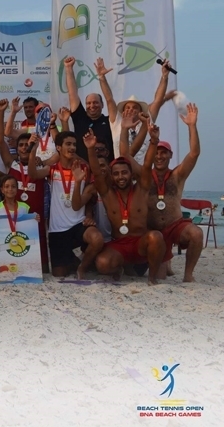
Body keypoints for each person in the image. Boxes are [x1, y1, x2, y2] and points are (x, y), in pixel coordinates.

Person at [126, 103, 202, 282]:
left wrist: (192, 126)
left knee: (197, 234)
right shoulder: (145, 176)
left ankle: (188, 274)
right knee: (160, 277)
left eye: (164, 153)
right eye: (157, 153)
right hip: (153, 230)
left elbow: (194, 153)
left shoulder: (177, 175)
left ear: (170, 155)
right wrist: (135, 129)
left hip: (175, 227)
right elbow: (126, 156)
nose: (159, 156)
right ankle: (165, 262)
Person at [87, 120, 166, 284]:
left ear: (131, 174)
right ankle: (121, 267)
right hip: (119, 245)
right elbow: (96, 171)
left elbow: (147, 165)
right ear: (111, 175)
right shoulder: (108, 193)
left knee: (156, 237)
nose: (121, 177)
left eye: (124, 173)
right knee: (102, 264)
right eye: (116, 174)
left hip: (140, 244)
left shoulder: (141, 189)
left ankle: (152, 278)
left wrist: (154, 141)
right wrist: (90, 149)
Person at [28, 131, 104, 278]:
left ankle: (82, 267)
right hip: (58, 229)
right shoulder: (52, 169)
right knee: (59, 273)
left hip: (78, 223)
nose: (72, 147)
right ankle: (73, 261)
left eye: (74, 144)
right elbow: (33, 175)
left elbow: (90, 193)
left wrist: (88, 214)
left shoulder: (84, 168)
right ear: (58, 148)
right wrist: (33, 151)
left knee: (97, 239)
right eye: (68, 144)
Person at [93, 57, 175, 163]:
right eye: (127, 107)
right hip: (121, 174)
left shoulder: (147, 121)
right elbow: (109, 99)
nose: (131, 109)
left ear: (141, 111)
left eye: (135, 107)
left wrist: (164, 76)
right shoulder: (117, 121)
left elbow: (158, 100)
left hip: (143, 174)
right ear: (122, 111)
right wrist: (101, 77)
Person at [7, 133, 50, 272]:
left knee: (41, 268)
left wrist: (34, 150)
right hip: (15, 218)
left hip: (36, 218)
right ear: (16, 148)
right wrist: (3, 111)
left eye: (27, 144)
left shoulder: (41, 167)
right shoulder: (11, 165)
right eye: (21, 145)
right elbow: (0, 140)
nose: (24, 147)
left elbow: (33, 174)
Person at [64, 56, 114, 161]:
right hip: (82, 168)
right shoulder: (80, 118)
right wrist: (69, 69)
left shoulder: (110, 121)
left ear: (102, 105)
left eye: (95, 102)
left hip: (106, 169)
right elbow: (72, 94)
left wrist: (101, 77)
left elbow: (110, 99)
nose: (92, 106)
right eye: (89, 103)